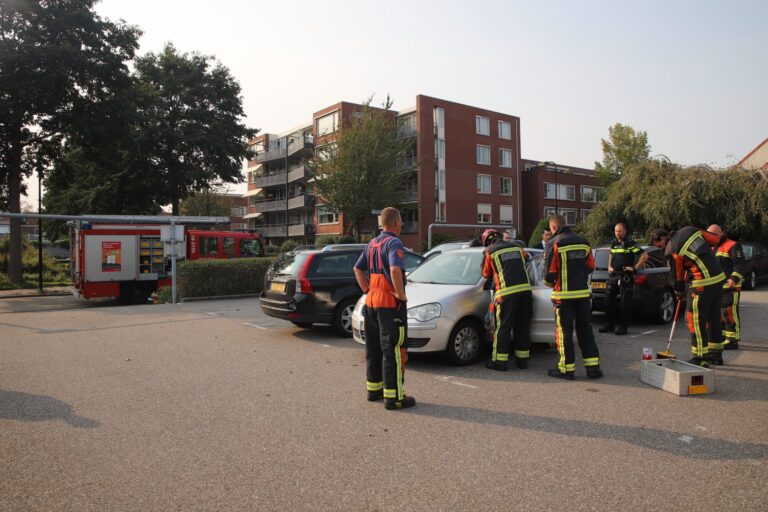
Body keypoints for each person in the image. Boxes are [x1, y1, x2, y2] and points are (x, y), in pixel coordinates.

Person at [353, 207, 415, 410]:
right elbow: (395, 269)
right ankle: (394, 398)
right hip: (389, 305)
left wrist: (366, 289)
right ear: (396, 223)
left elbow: (357, 268)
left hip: (371, 302)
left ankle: (374, 390)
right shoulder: (394, 242)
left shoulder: (372, 243)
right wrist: (401, 295)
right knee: (394, 351)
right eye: (401, 222)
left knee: (373, 350)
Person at [543, 214, 602, 380]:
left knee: (564, 333)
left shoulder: (554, 243)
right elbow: (591, 266)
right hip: (583, 295)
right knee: (585, 330)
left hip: (563, 296)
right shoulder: (583, 241)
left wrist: (550, 283)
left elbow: (549, 273)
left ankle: (566, 369)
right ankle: (593, 368)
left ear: (554, 227)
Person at [657, 226, 725, 367]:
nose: (660, 248)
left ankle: (700, 357)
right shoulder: (690, 230)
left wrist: (679, 292)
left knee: (694, 318)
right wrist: (696, 257)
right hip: (719, 278)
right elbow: (715, 239)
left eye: (658, 245)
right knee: (714, 317)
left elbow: (678, 278)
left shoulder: (672, 251)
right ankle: (716, 355)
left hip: (702, 282)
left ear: (664, 239)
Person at [480, 228, 533, 371]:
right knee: (522, 326)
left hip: (506, 294)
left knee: (503, 328)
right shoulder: (517, 246)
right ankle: (522, 360)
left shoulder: (490, 251)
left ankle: (500, 361)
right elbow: (527, 258)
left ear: (486, 242)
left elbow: (485, 274)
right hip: (525, 292)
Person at [599, 223, 648, 335]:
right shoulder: (614, 242)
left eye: (620, 231)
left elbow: (645, 255)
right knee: (608, 301)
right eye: (616, 231)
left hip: (625, 276)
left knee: (625, 303)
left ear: (625, 231)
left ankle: (623, 326)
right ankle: (609, 325)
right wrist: (609, 266)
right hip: (614, 276)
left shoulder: (630, 243)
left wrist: (635, 268)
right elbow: (611, 254)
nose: (618, 233)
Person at [708, 224, 747, 350]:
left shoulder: (732, 246)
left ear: (721, 233)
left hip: (730, 288)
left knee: (729, 313)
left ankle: (732, 340)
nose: (711, 238)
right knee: (720, 315)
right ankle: (725, 337)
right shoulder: (712, 247)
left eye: (714, 235)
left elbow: (740, 265)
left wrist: (733, 279)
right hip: (717, 288)